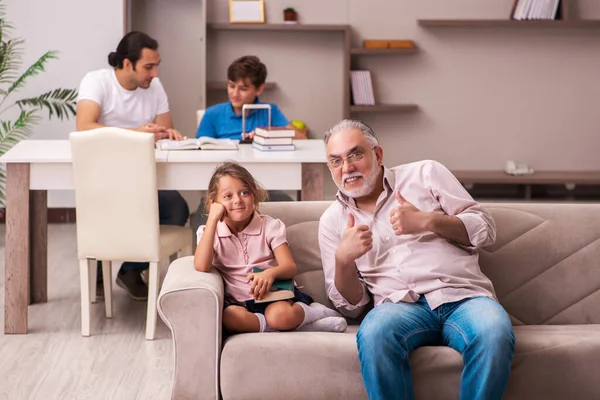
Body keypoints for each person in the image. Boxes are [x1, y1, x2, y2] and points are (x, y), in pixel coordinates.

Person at [318, 119, 515, 400]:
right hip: (398, 308)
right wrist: (343, 261)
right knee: (374, 333)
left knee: (494, 331)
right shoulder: (331, 221)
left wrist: (428, 221)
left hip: (463, 297)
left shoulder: (426, 174)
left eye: (355, 155)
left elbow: (485, 227)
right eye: (335, 161)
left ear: (378, 154)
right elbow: (350, 308)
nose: (346, 168)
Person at [76, 31, 190, 301]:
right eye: (149, 67)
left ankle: (129, 271)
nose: (155, 74)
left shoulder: (155, 87)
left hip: (144, 176)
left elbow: (165, 127)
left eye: (156, 66)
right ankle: (101, 271)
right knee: (114, 207)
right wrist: (136, 132)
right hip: (103, 178)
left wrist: (166, 134)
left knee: (176, 207)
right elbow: (84, 126)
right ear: (127, 64)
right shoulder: (97, 81)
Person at [194, 161, 347, 334]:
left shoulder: (269, 226)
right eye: (228, 196)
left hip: (275, 296)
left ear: (254, 195)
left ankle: (314, 313)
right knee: (228, 317)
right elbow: (201, 265)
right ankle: (305, 326)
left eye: (244, 193)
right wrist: (212, 220)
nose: (237, 200)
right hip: (239, 303)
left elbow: (289, 267)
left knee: (279, 316)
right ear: (214, 202)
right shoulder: (209, 232)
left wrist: (270, 273)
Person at [192, 55, 304, 242]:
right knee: (205, 207)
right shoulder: (213, 114)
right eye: (231, 85)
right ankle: (205, 254)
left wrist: (266, 132)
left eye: (243, 88)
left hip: (261, 182)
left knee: (286, 203)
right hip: (226, 185)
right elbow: (199, 148)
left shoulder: (269, 111)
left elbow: (301, 137)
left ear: (258, 89)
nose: (235, 93)